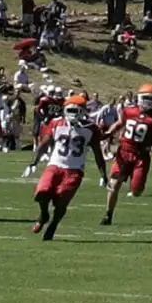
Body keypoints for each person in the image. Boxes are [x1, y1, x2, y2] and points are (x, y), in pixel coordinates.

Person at [31, 92, 105, 240]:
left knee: (61, 202)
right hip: (54, 165)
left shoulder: (91, 129)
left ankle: (53, 225)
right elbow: (44, 144)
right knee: (41, 193)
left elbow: (98, 152)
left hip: (74, 170)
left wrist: (103, 174)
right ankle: (44, 214)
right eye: (70, 110)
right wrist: (34, 162)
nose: (72, 114)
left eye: (76, 111)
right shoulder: (56, 123)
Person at [101, 84, 152, 225]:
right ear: (139, 97)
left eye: (151, 98)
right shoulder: (128, 111)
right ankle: (108, 214)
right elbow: (119, 123)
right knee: (114, 184)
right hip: (124, 152)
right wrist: (108, 133)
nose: (148, 101)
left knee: (136, 191)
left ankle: (136, 188)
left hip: (141, 156)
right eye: (146, 97)